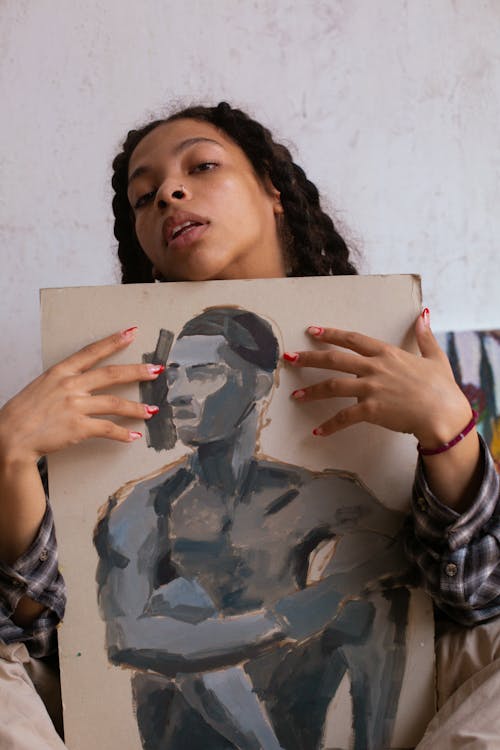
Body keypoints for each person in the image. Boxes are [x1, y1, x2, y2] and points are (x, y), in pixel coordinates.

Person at [0, 101, 497, 750]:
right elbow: (52, 644)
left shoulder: (386, 399)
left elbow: (473, 608)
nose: (167, 195)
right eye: (143, 197)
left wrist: (448, 433)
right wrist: (10, 457)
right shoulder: (110, 451)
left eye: (201, 166)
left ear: (273, 190)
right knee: (167, 611)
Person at [94, 306, 411, 750]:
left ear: (259, 383)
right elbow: (125, 638)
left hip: (289, 718)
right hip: (191, 737)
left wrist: (342, 584)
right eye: (175, 375)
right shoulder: (145, 506)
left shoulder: (314, 496)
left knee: (370, 594)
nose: (177, 393)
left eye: (203, 374)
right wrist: (279, 621)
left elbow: (412, 549)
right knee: (179, 602)